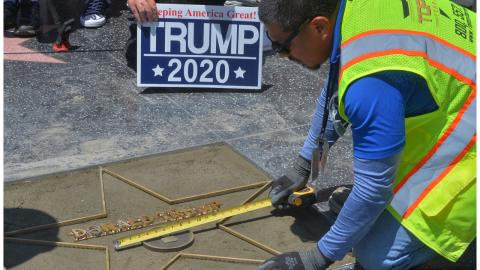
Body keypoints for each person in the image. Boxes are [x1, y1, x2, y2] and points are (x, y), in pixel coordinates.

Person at [257, 0, 476, 269]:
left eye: (282, 46)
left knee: (376, 256)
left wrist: (316, 259)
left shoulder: (371, 83)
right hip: (462, 88)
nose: (281, 56)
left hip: (469, 137)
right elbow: (335, 91)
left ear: (319, 27)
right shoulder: (355, 11)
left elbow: (374, 190)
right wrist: (303, 164)